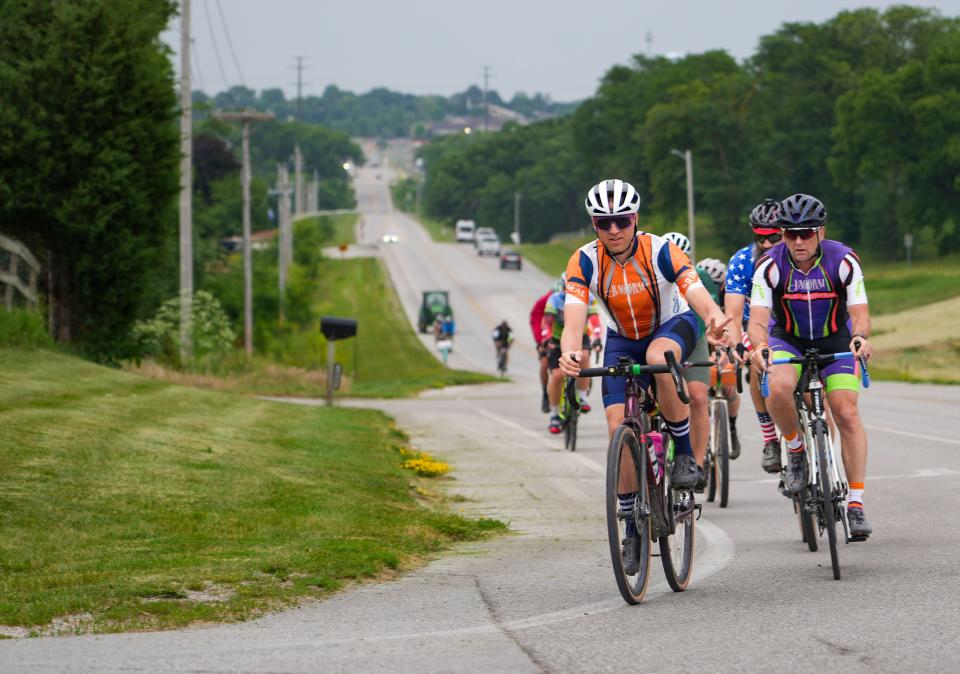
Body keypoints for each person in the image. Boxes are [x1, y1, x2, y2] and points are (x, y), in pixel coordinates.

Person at [558, 179, 732, 486]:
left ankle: (684, 455)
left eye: (622, 221)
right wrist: (570, 353)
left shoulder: (661, 250)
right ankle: (628, 513)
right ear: (594, 224)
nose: (614, 230)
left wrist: (714, 316)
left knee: (658, 356)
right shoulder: (583, 260)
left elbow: (694, 289)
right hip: (622, 337)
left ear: (635, 219)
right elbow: (573, 322)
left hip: (672, 323)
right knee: (616, 428)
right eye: (604, 223)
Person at [748, 193, 873, 539]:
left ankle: (857, 503)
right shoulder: (769, 266)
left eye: (806, 233)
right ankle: (796, 448)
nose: (798, 241)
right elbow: (758, 319)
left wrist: (859, 338)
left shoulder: (844, 260)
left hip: (835, 337)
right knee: (777, 384)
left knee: (845, 413)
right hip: (789, 338)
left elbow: (859, 313)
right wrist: (759, 346)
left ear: (821, 232)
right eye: (790, 234)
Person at [725, 199, 784, 472]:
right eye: (761, 238)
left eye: (774, 237)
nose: (768, 244)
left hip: (788, 324)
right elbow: (734, 314)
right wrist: (737, 343)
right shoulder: (741, 261)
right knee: (756, 365)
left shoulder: (797, 255)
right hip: (755, 325)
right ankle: (770, 439)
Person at [662, 232, 716, 491]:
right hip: (663, 340)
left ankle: (698, 462)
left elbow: (710, 310)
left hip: (694, 339)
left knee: (697, 396)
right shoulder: (655, 273)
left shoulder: (700, 276)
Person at [542, 274, 603, 433]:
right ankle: (554, 415)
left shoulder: (587, 297)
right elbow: (547, 322)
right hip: (557, 339)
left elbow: (595, 319)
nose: (569, 291)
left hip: (580, 336)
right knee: (556, 376)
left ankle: (582, 397)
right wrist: (546, 338)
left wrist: (596, 337)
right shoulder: (555, 299)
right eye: (566, 288)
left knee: (584, 356)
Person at [530, 281, 562, 413]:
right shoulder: (545, 301)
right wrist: (541, 342)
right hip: (545, 338)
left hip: (561, 337)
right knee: (544, 363)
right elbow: (536, 321)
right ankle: (545, 393)